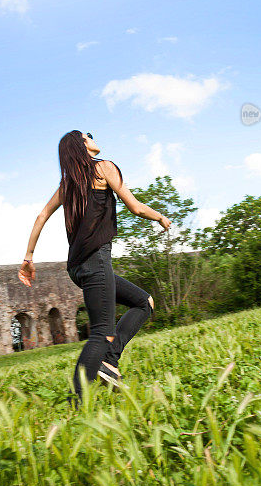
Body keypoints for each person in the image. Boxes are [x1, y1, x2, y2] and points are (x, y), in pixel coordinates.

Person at [18, 130, 171, 407]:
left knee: (143, 302)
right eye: (87, 135)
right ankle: (78, 400)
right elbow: (135, 207)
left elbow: (42, 215)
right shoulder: (104, 168)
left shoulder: (69, 184)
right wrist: (160, 217)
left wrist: (28, 257)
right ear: (82, 145)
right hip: (96, 261)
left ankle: (109, 363)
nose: (92, 137)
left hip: (78, 267)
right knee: (102, 331)